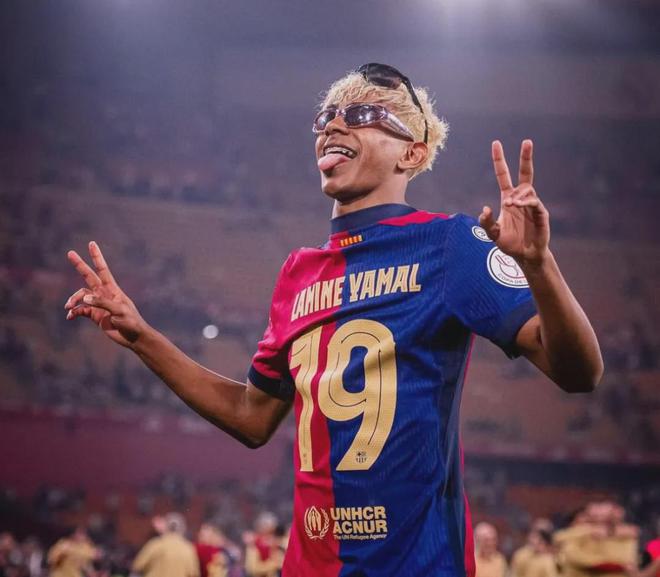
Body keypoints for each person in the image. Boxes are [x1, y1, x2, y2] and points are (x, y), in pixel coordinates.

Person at [64, 62, 603, 576]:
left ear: (411, 153)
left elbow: (579, 373)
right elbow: (252, 417)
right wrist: (142, 336)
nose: (335, 125)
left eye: (364, 115)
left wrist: (540, 266)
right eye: (327, 117)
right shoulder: (297, 272)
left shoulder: (449, 243)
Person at [131, 512, 199, 577]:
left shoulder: (155, 544)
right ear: (183, 528)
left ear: (166, 526)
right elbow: (193, 573)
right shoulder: (188, 548)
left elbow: (137, 566)